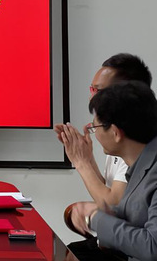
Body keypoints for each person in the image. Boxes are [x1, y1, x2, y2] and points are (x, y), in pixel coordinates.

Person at [67, 81, 157, 261]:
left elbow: (152, 247)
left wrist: (95, 218)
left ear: (115, 133)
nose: (93, 133)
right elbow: (138, 218)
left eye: (94, 127)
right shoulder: (141, 164)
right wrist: (103, 213)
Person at [54, 54, 152, 208]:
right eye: (91, 89)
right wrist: (88, 159)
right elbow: (106, 190)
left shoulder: (133, 139)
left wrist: (81, 162)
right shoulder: (115, 134)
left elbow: (114, 204)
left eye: (98, 90)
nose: (91, 98)